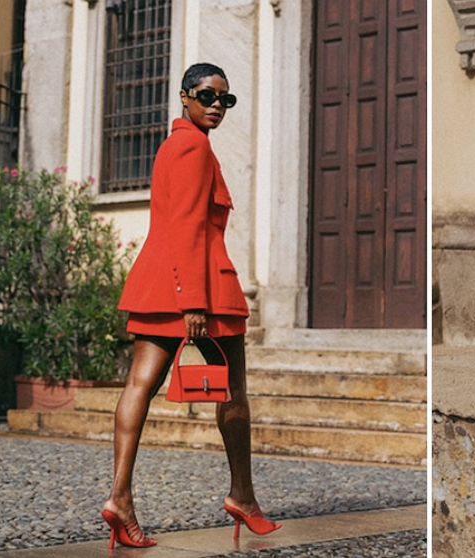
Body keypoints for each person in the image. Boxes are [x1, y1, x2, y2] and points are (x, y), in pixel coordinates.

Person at [102, 63, 281, 549]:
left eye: (226, 99)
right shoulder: (193, 146)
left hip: (164, 282)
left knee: (139, 384)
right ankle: (241, 495)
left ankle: (121, 499)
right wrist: (193, 303)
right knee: (234, 395)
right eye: (207, 96)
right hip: (198, 286)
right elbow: (184, 226)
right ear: (184, 97)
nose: (217, 106)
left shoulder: (174, 144)